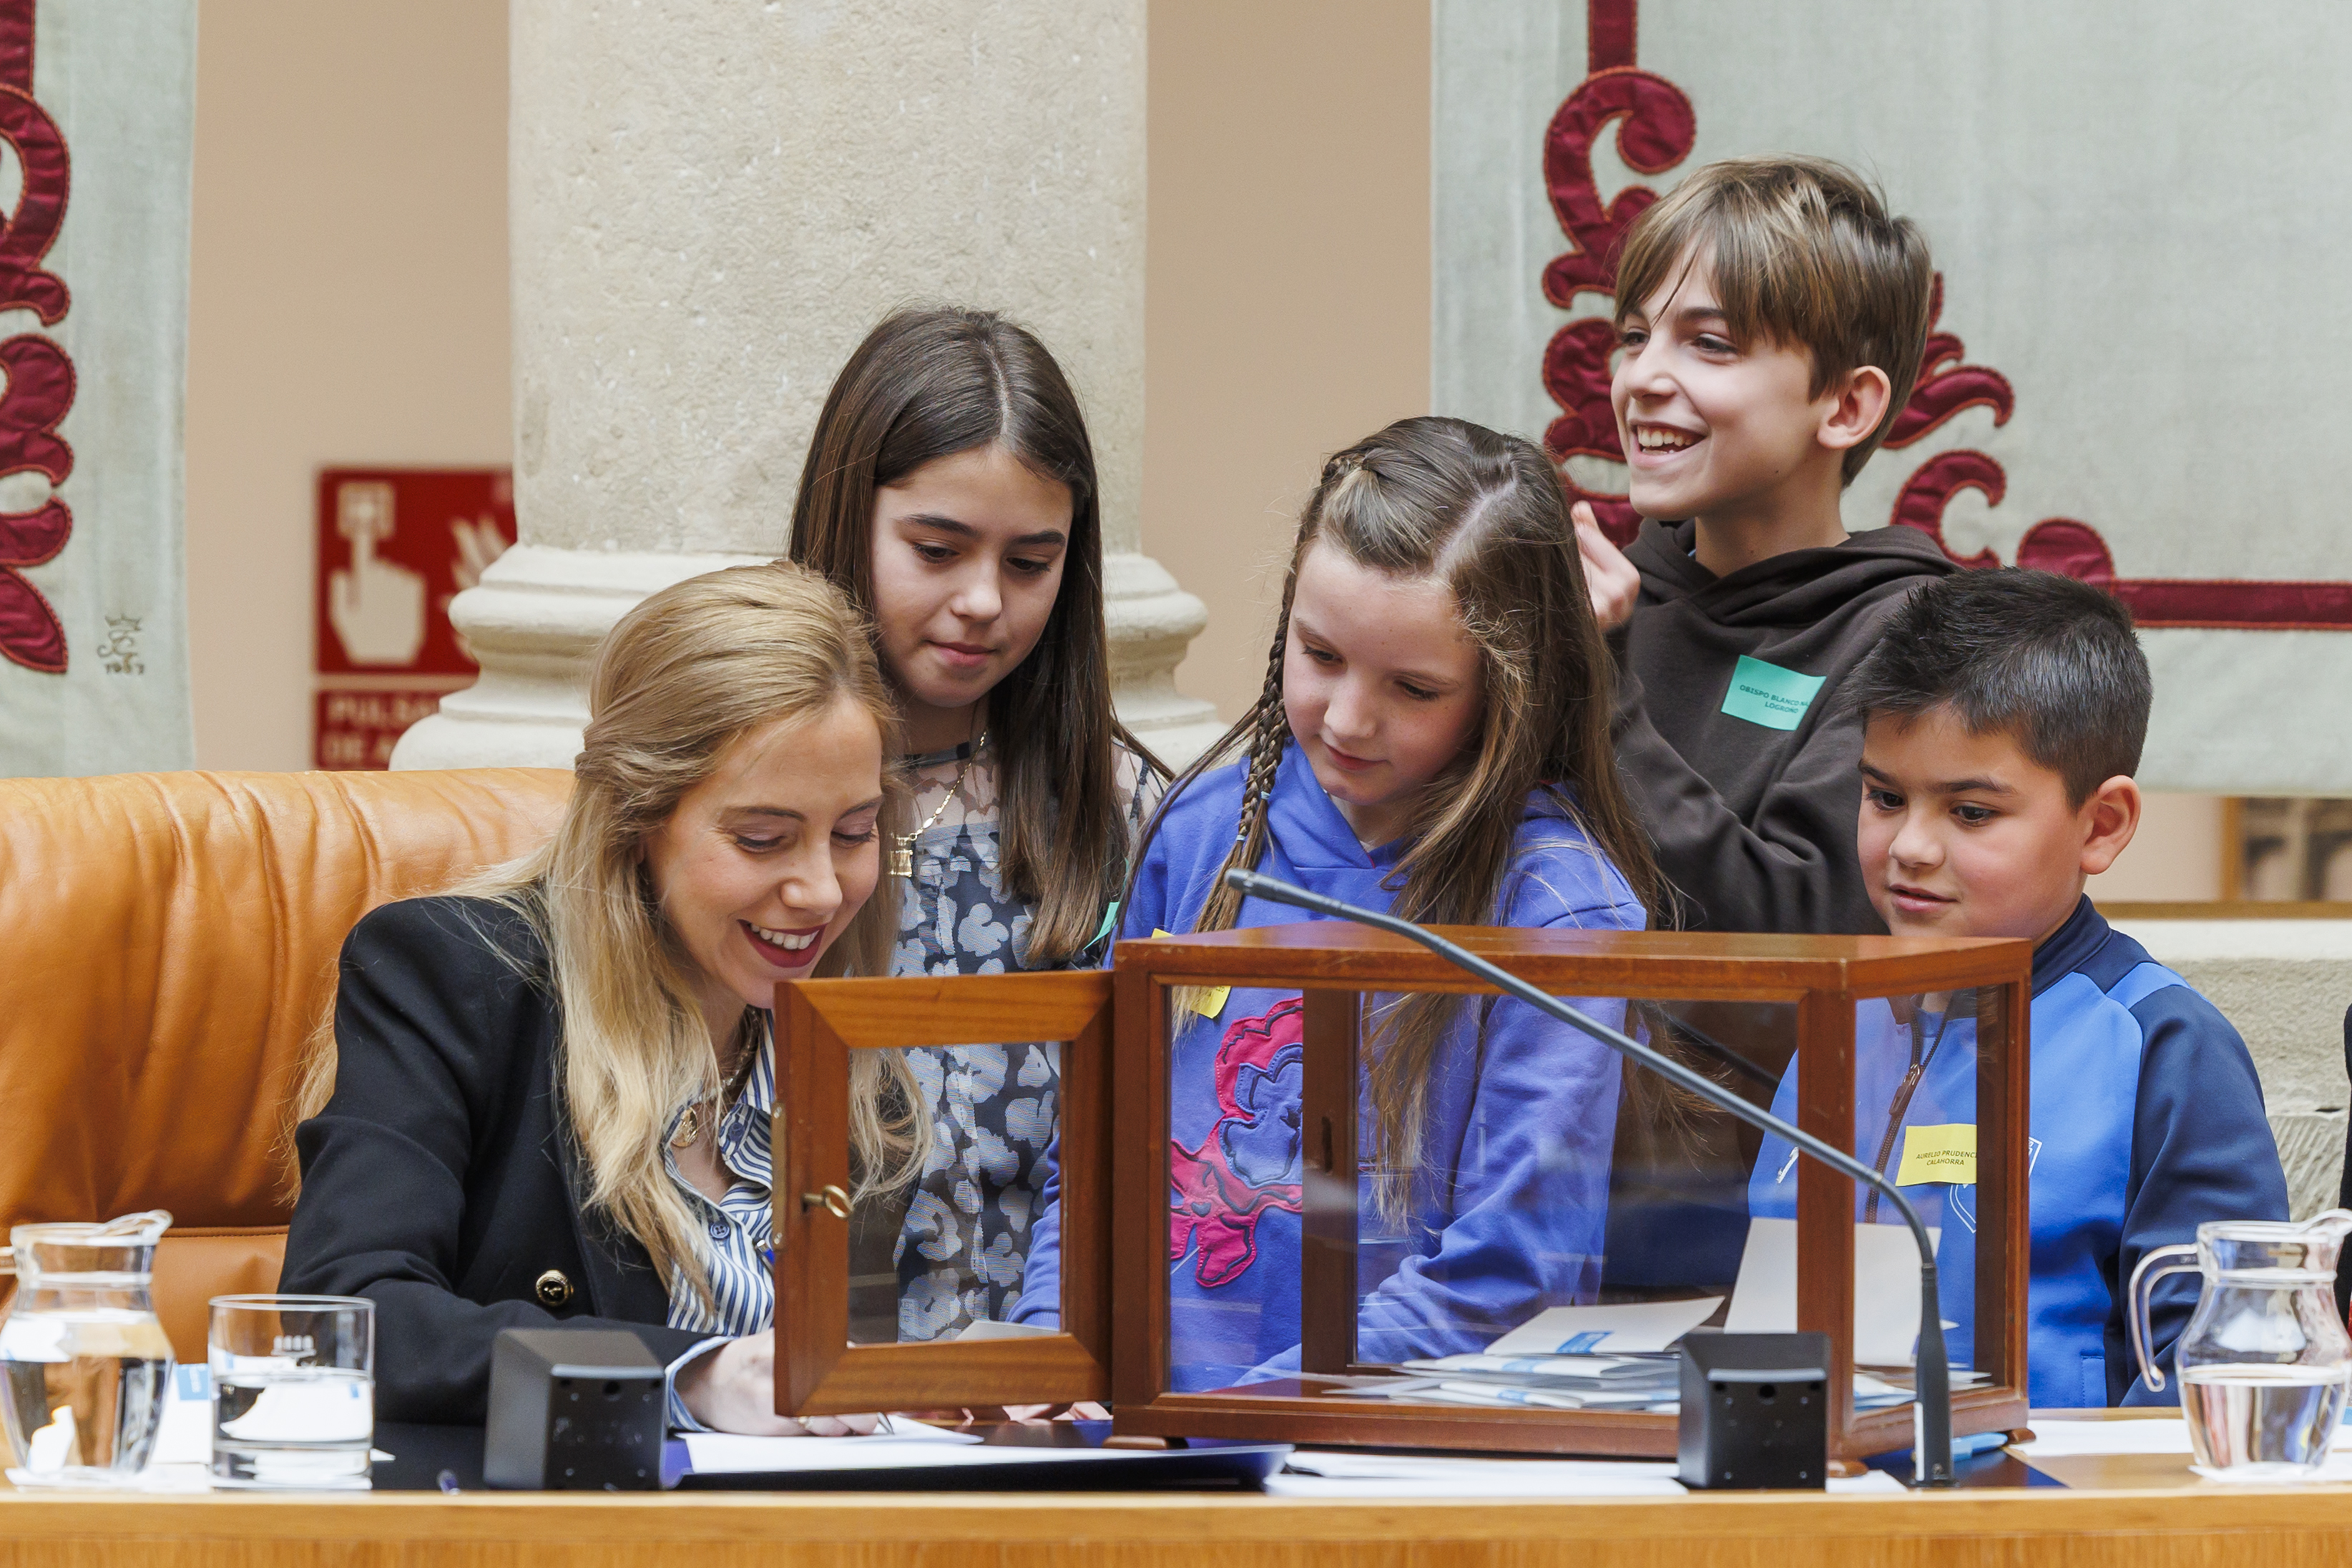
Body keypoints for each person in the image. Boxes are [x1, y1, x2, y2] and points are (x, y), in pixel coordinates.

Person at [1011, 416, 1658, 1390]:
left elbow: (1512, 1271)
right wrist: (1045, 1348)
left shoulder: (1558, 909)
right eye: (1319, 656)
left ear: (1510, 691)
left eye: (1413, 687)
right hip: (1139, 1436)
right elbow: (1093, 1161)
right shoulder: (1200, 832)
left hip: (1381, 1450)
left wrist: (1251, 1413)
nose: (1350, 718)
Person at [282, 563, 913, 1434]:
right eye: (762, 837)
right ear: (634, 820)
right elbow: (345, 1317)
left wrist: (977, 1394)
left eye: (853, 832)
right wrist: (689, 1376)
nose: (817, 890)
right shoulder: (452, 975)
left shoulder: (849, 1059)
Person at [1745, 569, 2288, 1407]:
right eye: (1884, 796)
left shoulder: (2163, 1046)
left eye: (1970, 812)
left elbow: (2215, 1365)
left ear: (2100, 825)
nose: (1910, 847)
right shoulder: (1841, 1019)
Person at [788, 307, 1163, 1343]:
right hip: (784, 1377)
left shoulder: (1122, 813)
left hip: (1044, 1380)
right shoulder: (738, 797)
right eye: (938, 550)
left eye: (1030, 563)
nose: (982, 602)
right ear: (844, 515)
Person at [1574, 155, 1958, 937]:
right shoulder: (1598, 602)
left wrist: (1597, 696)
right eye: (1636, 335)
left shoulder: (1911, 638)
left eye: (1709, 343)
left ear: (1847, 404)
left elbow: (1793, 936)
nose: (1641, 376)